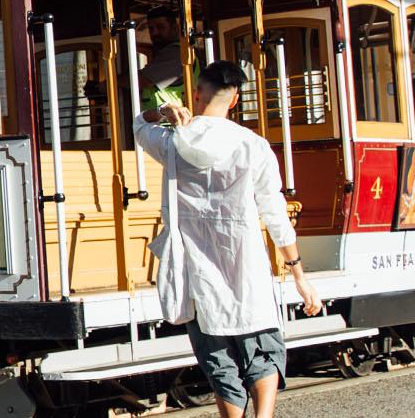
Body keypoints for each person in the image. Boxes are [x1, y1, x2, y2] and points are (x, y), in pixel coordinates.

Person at [136, 61, 322, 418]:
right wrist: (298, 273)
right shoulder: (254, 146)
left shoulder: (171, 142)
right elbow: (275, 213)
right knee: (262, 350)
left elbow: (139, 125)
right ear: (235, 99)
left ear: (196, 94)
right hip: (245, 264)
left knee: (217, 358)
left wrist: (162, 111)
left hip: (196, 271)